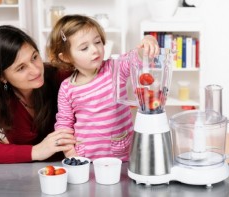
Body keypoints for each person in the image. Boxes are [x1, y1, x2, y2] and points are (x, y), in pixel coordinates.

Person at [47, 14, 159, 161]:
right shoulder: (67, 88)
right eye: (84, 48)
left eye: (97, 42)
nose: (95, 50)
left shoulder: (114, 68)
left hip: (122, 156)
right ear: (66, 57)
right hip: (86, 158)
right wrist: (71, 154)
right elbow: (64, 124)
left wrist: (148, 43)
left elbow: (134, 59)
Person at [0, 25, 76, 164]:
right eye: (21, 68)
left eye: (34, 57)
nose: (36, 70)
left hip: (76, 166)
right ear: (1, 76)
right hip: (28, 176)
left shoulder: (59, 75)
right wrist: (36, 151)